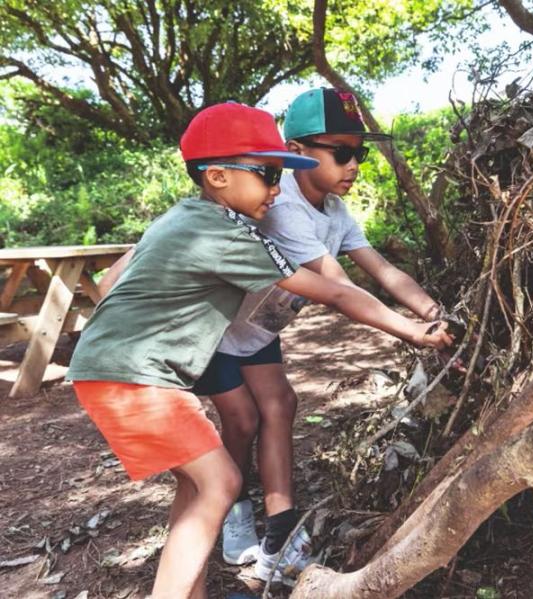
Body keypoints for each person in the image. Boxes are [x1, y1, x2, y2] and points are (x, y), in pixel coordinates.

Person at [69, 101, 453, 599]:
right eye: (268, 174)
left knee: (196, 486)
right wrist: (413, 330)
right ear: (218, 176)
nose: (277, 188)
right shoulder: (221, 234)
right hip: (132, 375)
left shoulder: (200, 219)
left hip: (140, 373)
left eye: (280, 177)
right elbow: (333, 289)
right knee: (222, 482)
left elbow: (118, 274)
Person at [193, 88, 447, 584]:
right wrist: (412, 331)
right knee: (242, 418)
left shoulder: (334, 210)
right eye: (342, 152)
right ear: (296, 151)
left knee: (281, 405)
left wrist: (435, 312)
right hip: (216, 328)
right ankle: (233, 504)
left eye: (360, 152)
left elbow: (383, 271)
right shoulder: (282, 205)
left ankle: (280, 527)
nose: (354, 164)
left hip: (259, 328)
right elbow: (340, 290)